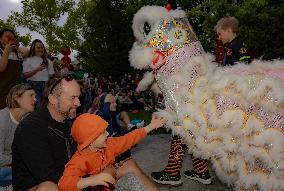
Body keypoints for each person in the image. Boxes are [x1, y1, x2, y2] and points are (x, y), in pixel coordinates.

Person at [12, 74, 159, 191]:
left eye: (78, 97)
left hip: (79, 176)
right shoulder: (31, 128)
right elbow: (52, 178)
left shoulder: (72, 122)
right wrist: (94, 177)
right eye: (73, 98)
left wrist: (105, 165)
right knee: (49, 188)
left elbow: (94, 152)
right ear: (52, 98)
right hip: (47, 184)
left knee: (129, 164)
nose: (78, 103)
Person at [58, 113, 165, 191]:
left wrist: (151, 126)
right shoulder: (80, 160)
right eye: (102, 132)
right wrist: (91, 180)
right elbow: (63, 183)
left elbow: (128, 139)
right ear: (90, 140)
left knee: (132, 178)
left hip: (113, 185)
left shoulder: (109, 144)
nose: (107, 134)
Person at [0, 84, 36, 188]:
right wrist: (22, 159)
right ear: (17, 98)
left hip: (11, 165)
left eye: (35, 95)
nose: (35, 99)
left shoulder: (28, 120)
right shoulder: (2, 119)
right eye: (31, 95)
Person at [22, 39, 55, 108]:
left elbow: (51, 76)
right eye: (38, 47)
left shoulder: (48, 61)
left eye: (42, 47)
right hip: (33, 86)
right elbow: (25, 75)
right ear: (33, 48)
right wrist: (37, 69)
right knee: (37, 107)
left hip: (46, 86)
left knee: (45, 107)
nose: (40, 49)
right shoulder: (28, 60)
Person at [0, 29, 23, 109]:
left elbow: (27, 52)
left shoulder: (16, 53)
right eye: (8, 37)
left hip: (16, 92)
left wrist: (17, 48)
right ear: (0, 39)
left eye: (12, 38)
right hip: (2, 92)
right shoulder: (1, 51)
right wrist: (6, 50)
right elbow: (1, 68)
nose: (11, 39)